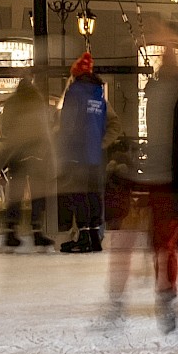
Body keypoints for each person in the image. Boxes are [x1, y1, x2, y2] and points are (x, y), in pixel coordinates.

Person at [106, 44, 178, 332]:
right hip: (165, 177)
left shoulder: (161, 89)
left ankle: (127, 301)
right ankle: (165, 297)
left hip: (158, 175)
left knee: (151, 243)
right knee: (163, 244)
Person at [56, 53, 108, 254]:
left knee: (78, 193)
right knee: (94, 193)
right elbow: (102, 124)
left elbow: (67, 123)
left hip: (76, 149)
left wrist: (63, 146)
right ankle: (95, 237)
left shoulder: (75, 91)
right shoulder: (98, 94)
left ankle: (84, 236)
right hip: (95, 152)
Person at [0, 74, 54, 249]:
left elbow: (4, 126)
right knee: (37, 194)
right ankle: (37, 232)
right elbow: (45, 128)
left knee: (16, 192)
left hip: (17, 154)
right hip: (36, 154)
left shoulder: (11, 103)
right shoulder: (38, 102)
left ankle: (10, 231)